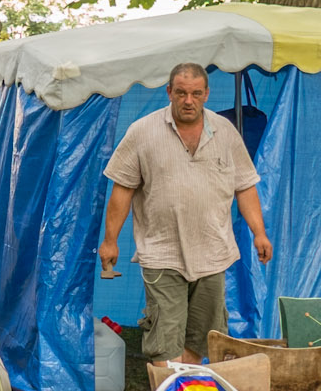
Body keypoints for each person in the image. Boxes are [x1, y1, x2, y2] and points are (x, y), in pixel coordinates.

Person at [98, 63, 272, 366]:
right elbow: (122, 189)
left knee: (201, 339)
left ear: (206, 94)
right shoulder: (142, 132)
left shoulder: (225, 132)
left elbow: (245, 187)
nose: (188, 100)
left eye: (195, 93)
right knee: (165, 342)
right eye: (180, 93)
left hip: (212, 252)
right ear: (169, 92)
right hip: (162, 251)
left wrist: (259, 233)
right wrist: (110, 241)